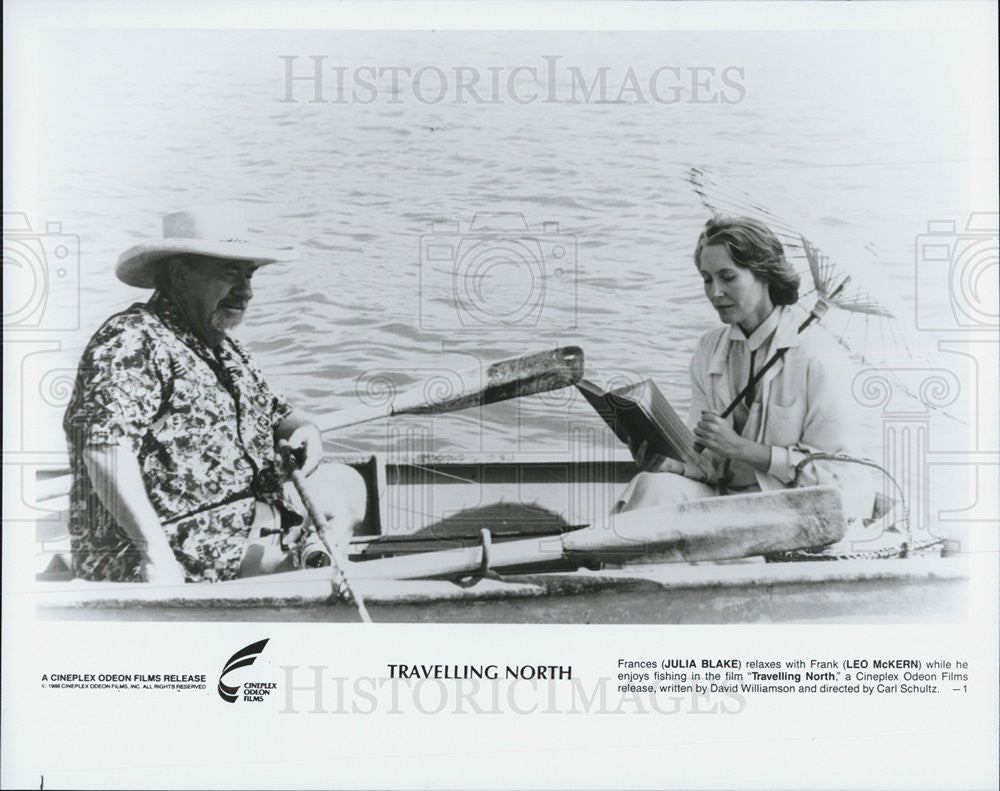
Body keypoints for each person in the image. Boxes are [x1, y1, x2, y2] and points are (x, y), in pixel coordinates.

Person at [63, 207, 367, 585]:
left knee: (348, 484)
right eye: (229, 274)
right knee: (306, 553)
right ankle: (305, 574)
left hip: (247, 519)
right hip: (163, 548)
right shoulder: (132, 339)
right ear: (180, 275)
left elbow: (276, 413)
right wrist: (154, 553)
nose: (246, 292)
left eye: (249, 275)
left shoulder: (223, 347)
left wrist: (305, 428)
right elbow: (104, 448)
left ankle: (311, 562)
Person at [617, 216, 874, 520]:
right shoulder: (709, 349)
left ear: (764, 274)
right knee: (652, 486)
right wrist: (670, 464)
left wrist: (742, 448)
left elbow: (838, 478)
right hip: (731, 500)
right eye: (707, 279)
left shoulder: (817, 355)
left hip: (795, 509)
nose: (715, 293)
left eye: (728, 277)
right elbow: (710, 463)